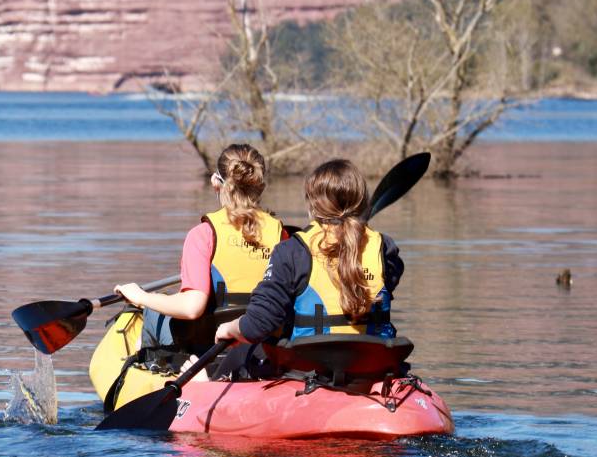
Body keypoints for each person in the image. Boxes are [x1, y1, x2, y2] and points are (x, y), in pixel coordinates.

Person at [212, 158, 403, 378]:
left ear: (312, 205)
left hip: (311, 370)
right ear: (361, 202)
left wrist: (229, 328)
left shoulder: (291, 251)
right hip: (374, 367)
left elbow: (258, 325)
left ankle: (205, 384)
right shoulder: (385, 248)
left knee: (242, 354)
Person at [113, 144, 285, 367]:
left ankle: (146, 367)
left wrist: (140, 297)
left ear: (216, 182)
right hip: (261, 342)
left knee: (152, 313)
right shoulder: (283, 233)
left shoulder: (203, 234)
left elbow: (192, 308)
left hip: (208, 346)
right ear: (260, 185)